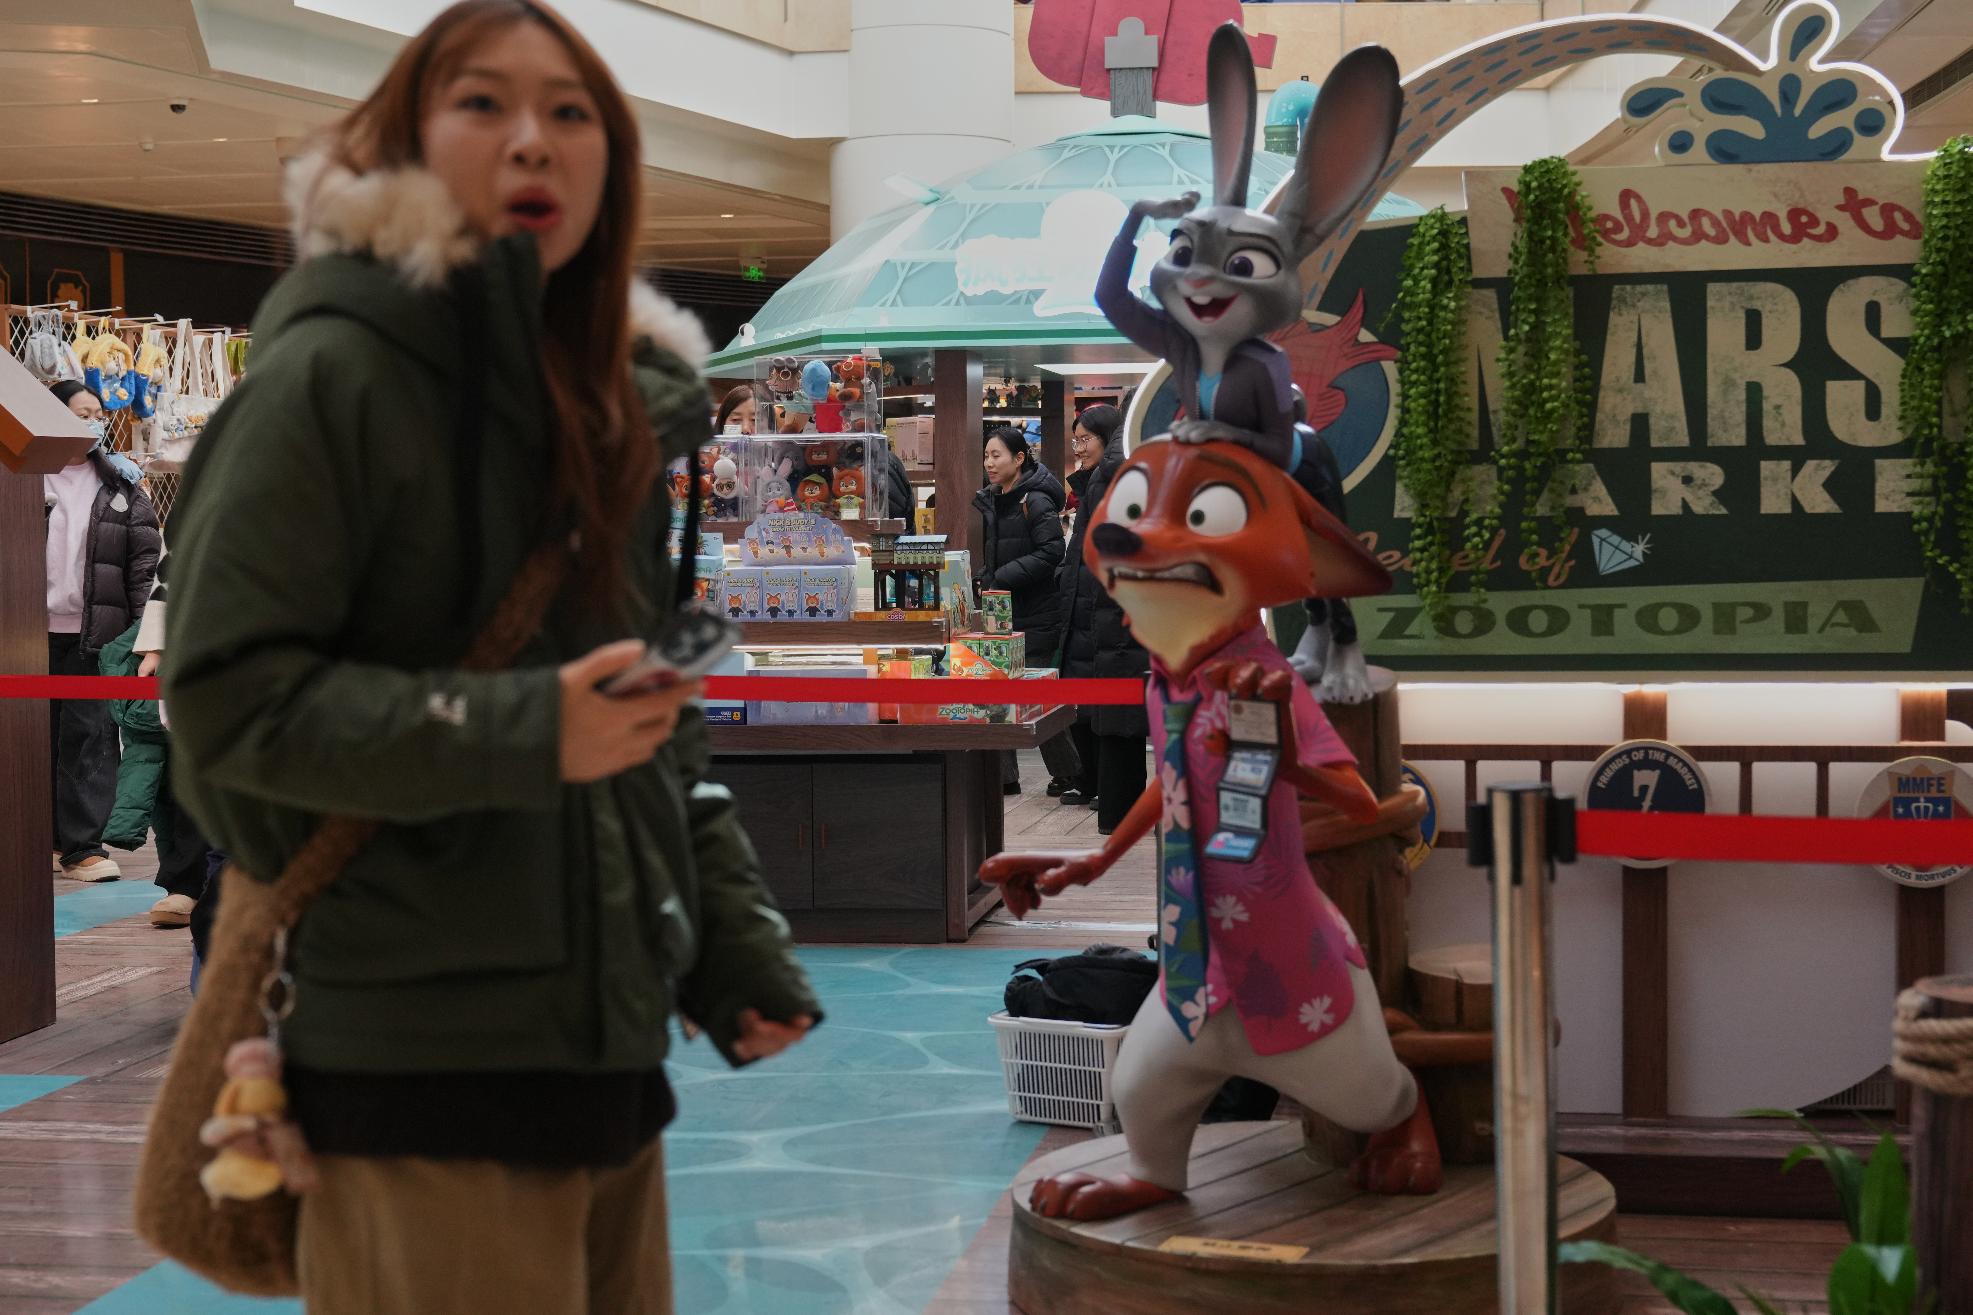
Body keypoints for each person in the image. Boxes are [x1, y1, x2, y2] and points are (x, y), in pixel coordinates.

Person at [162, 4, 819, 1311]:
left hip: (608, 1068)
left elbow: (656, 725)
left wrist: (731, 949)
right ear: (404, 141)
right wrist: (524, 730)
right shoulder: (329, 383)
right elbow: (229, 712)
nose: (535, 141)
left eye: (572, 113)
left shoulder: (609, 412)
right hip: (417, 1076)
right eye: (483, 103)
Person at [45, 379, 161, 882]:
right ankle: (38, 840)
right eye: (80, 412)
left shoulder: (120, 483)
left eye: (97, 413)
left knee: (90, 736)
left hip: (96, 633)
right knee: (31, 739)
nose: (92, 421)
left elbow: (143, 564)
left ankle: (80, 848)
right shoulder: (24, 478)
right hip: (27, 635)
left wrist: (142, 636)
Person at [1054, 404, 1149, 833]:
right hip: (1115, 614)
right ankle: (1119, 811)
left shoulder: (1111, 474)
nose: (1078, 449)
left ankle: (1117, 812)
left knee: (1115, 719)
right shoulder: (1120, 472)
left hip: (1106, 614)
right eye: (1075, 440)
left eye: (1083, 440)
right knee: (1117, 719)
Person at [974, 425, 1079, 795]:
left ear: (1019, 459)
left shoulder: (1034, 499)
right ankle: (1004, 776)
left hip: (1035, 612)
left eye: (997, 455)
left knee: (1035, 693)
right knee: (996, 688)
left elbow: (1053, 553)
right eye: (987, 455)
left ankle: (1070, 772)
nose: (989, 462)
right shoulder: (996, 497)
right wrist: (986, 579)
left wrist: (1000, 576)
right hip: (1001, 610)